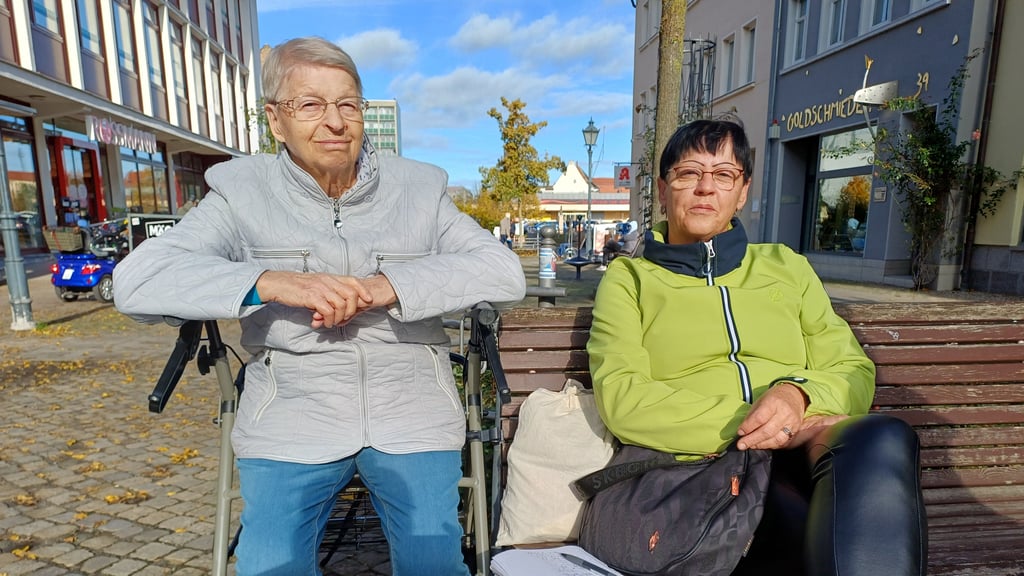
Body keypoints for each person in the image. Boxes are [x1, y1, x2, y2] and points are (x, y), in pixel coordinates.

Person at [113, 37, 525, 576]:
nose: (335, 122)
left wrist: (387, 286)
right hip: (291, 406)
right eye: (310, 104)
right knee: (268, 564)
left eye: (348, 104)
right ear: (276, 121)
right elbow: (137, 282)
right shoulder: (240, 191)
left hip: (410, 404)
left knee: (433, 562)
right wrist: (271, 282)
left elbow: (503, 272)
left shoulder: (419, 188)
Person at [586, 119, 925, 576]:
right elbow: (623, 398)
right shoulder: (630, 280)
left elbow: (852, 370)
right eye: (688, 173)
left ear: (743, 191)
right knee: (798, 533)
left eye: (724, 175)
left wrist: (796, 396)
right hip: (692, 466)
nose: (706, 187)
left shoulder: (787, 267)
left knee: (882, 436)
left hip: (799, 457)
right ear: (663, 190)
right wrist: (765, 426)